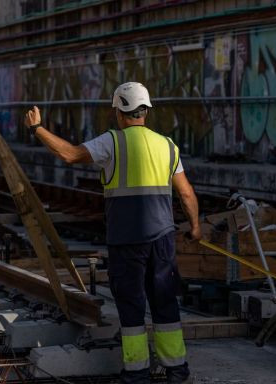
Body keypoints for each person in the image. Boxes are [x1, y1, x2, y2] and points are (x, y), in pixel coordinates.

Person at [24, 82, 201, 384]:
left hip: (126, 242)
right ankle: (177, 371)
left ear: (120, 111)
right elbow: (186, 194)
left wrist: (38, 129)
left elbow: (70, 155)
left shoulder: (112, 143)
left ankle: (137, 374)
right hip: (162, 240)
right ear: (145, 111)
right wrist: (195, 227)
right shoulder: (167, 145)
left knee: (132, 306)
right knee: (165, 303)